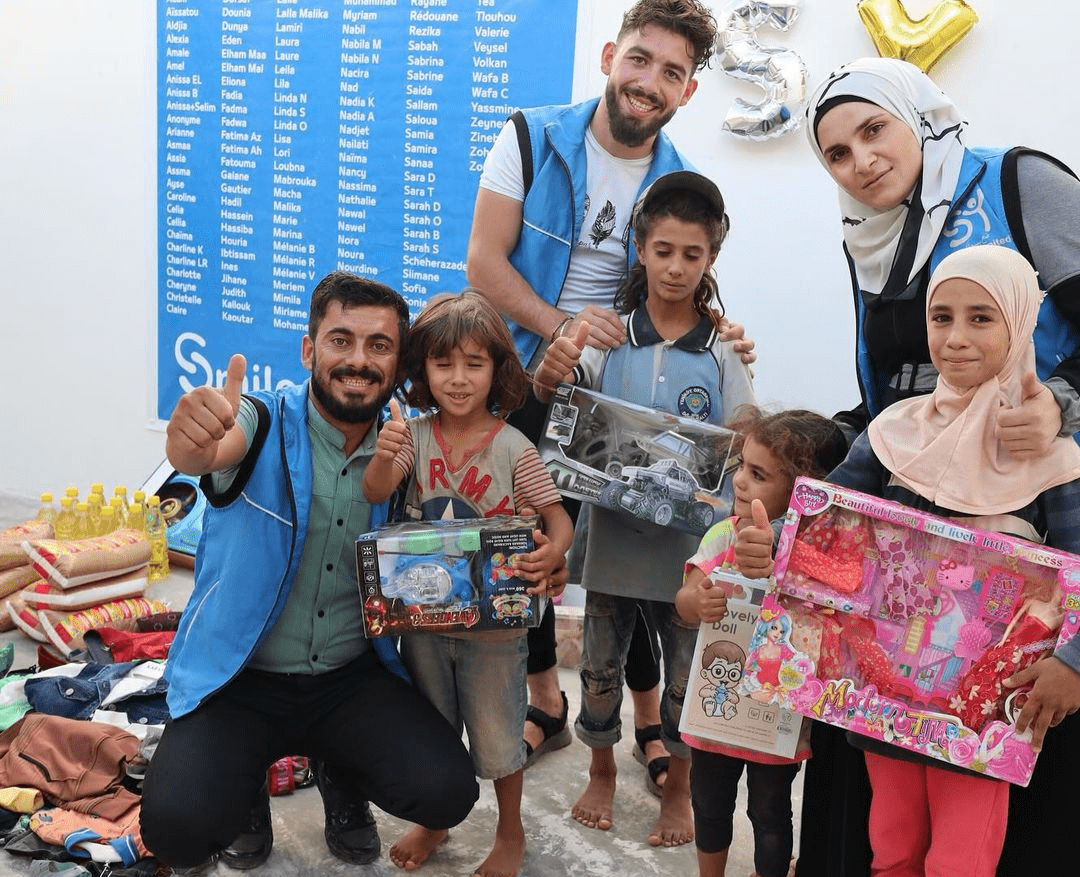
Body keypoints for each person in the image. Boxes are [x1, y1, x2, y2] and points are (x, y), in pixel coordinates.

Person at [793, 57, 1080, 877]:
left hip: (1059, 500)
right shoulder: (869, 232)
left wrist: (1059, 406)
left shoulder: (1020, 182)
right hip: (926, 535)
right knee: (899, 779)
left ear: (919, 118)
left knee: (1049, 737)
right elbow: (892, 383)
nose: (862, 161)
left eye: (875, 130)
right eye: (837, 152)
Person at [465, 0, 754, 793]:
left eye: (672, 72)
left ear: (688, 91)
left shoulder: (681, 179)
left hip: (620, 392)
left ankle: (648, 715)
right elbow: (484, 264)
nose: (649, 81)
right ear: (608, 57)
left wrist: (723, 335)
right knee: (524, 546)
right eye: (640, 59)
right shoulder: (531, 136)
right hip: (524, 371)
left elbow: (683, 275)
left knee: (630, 535)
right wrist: (564, 330)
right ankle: (546, 698)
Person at [802, 245, 1080, 876]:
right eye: (941, 316)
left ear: (1020, 323)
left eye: (982, 317)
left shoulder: (1048, 456)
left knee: (960, 862)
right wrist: (768, 547)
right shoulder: (891, 433)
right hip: (885, 698)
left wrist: (1079, 662)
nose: (955, 338)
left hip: (983, 711)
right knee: (892, 848)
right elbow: (822, 525)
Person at [140, 272, 480, 871]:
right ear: (308, 350)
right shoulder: (261, 420)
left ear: (397, 363)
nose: (359, 360)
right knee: (177, 830)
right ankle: (247, 787)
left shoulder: (407, 448)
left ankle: (338, 770)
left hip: (349, 678)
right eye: (340, 340)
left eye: (379, 346)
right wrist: (191, 442)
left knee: (447, 791)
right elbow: (211, 448)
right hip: (241, 679)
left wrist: (531, 561)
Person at [533, 170, 755, 847]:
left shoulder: (722, 350)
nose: (676, 267)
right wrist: (555, 365)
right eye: (663, 251)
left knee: (687, 677)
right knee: (599, 670)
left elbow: (743, 436)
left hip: (690, 556)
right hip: (612, 542)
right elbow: (559, 404)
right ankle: (600, 769)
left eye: (692, 254)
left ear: (713, 257)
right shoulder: (606, 337)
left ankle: (679, 786)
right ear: (639, 248)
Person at [361, 290, 573, 877]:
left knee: (500, 737)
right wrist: (384, 454)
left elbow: (557, 520)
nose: (458, 379)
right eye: (443, 363)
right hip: (422, 626)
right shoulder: (413, 437)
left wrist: (551, 554)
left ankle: (510, 830)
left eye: (474, 364)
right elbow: (376, 491)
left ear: (497, 370)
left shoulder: (514, 448)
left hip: (496, 635)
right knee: (433, 730)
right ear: (423, 370)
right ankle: (438, 819)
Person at [676, 408, 847, 877]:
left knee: (770, 813)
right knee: (708, 802)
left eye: (759, 474)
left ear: (803, 491)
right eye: (741, 466)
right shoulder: (723, 534)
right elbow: (684, 599)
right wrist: (699, 600)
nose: (739, 480)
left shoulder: (821, 557)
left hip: (777, 721)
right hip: (716, 711)